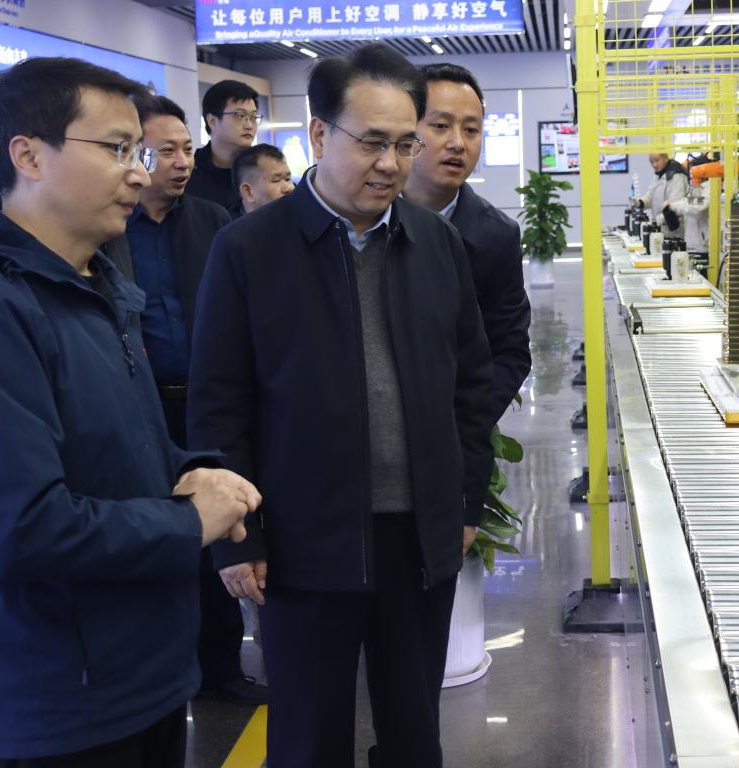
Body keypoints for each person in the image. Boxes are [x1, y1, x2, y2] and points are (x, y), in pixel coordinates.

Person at [188, 44, 494, 768]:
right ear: (320, 135)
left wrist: (465, 503)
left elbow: (470, 387)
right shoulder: (248, 251)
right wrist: (237, 539)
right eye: (372, 142)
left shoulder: (437, 244)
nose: (391, 163)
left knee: (414, 733)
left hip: (418, 543)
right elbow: (220, 403)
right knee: (307, 738)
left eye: (404, 144)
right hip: (302, 544)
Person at [0, 56, 259, 766]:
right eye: (117, 150)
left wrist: (189, 471)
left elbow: (122, 446)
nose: (139, 174)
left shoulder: (99, 285)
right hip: (62, 702)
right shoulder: (1, 308)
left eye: (139, 152)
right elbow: (25, 527)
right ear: (28, 156)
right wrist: (188, 521)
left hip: (147, 678)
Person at [103, 95, 266, 706]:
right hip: (139, 408)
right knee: (151, 537)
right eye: (165, 150)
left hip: (204, 406)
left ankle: (220, 668)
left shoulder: (212, 220)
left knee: (215, 537)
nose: (181, 162)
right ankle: (156, 672)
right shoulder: (109, 228)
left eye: (186, 149)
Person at [403, 63, 530, 423]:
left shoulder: (497, 236)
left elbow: (510, 350)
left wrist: (466, 428)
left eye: (471, 129)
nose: (458, 142)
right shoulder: (365, 218)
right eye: (440, 126)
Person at [186, 79, 260, 209]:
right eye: (240, 115)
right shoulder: (188, 175)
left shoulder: (263, 169)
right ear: (212, 122)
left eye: (253, 117)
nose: (249, 125)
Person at [229, 143, 295, 218]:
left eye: (287, 179)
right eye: (276, 180)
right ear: (248, 192)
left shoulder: (301, 219)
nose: (290, 188)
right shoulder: (226, 223)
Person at [638, 152, 688, 237]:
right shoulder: (659, 175)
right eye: (651, 162)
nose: (654, 164)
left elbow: (675, 206)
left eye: (657, 160)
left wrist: (657, 221)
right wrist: (640, 202)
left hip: (674, 231)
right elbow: (650, 196)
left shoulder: (677, 176)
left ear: (665, 157)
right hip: (662, 230)